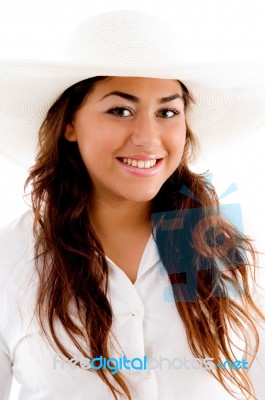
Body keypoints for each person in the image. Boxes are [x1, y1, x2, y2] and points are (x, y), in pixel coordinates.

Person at [0, 9, 265, 400]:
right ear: (70, 123)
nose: (148, 136)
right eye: (120, 110)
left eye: (167, 112)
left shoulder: (230, 253)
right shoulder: (12, 260)